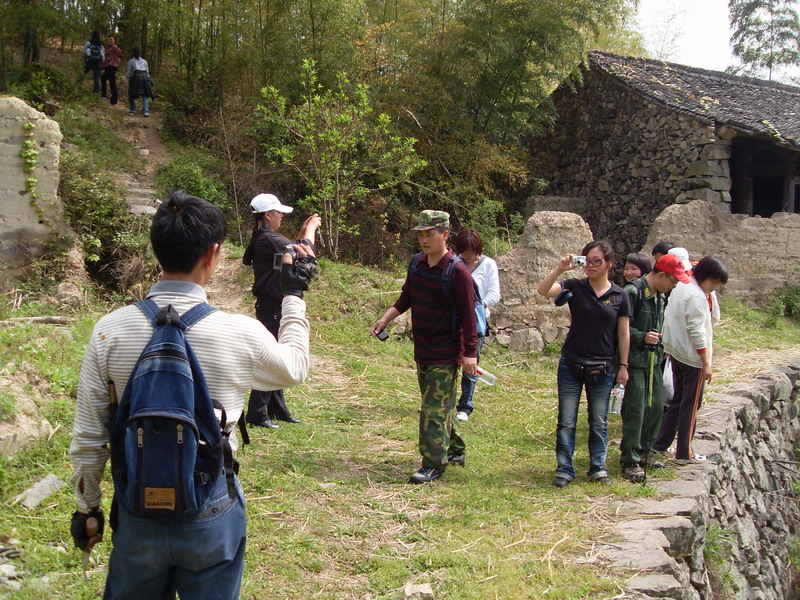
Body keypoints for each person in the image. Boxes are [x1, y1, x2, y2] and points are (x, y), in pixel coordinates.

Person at [69, 189, 315, 599]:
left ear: (156, 249)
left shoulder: (109, 331)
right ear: (213, 254)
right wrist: (294, 298)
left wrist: (87, 509)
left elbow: (90, 437)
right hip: (211, 507)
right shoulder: (240, 333)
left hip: (136, 509)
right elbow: (295, 369)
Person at [372, 210, 477, 484]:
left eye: (429, 234)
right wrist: (385, 319)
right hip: (423, 350)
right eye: (420, 234)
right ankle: (454, 449)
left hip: (446, 351)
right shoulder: (417, 263)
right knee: (438, 405)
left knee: (433, 408)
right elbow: (407, 296)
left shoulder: (459, 273)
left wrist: (469, 354)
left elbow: (469, 317)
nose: (424, 239)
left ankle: (432, 464)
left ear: (445, 235)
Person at [536, 241, 631, 487]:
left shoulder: (620, 296)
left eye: (597, 260)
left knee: (599, 421)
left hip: (603, 367)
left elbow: (623, 334)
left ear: (609, 263)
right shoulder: (574, 286)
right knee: (566, 420)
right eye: (586, 259)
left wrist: (624, 365)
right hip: (572, 364)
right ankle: (565, 468)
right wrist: (559, 269)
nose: (590, 265)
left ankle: (598, 467)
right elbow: (543, 290)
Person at [243, 193, 321, 429]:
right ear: (268, 215)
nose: (282, 218)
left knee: (276, 353)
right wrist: (311, 230)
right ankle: (256, 412)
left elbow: (291, 249)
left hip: (272, 303)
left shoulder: (265, 238)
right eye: (279, 214)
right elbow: (305, 251)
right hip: (272, 305)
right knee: (271, 356)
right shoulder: (267, 238)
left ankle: (276, 408)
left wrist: (302, 235)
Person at [652, 256, 729, 464]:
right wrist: (706, 363)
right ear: (704, 276)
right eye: (713, 282)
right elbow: (697, 332)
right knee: (690, 405)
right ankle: (685, 451)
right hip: (692, 358)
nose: (713, 288)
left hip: (677, 352)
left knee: (678, 401)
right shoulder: (695, 295)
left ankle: (660, 443)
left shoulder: (682, 286)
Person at [618, 255, 688, 482]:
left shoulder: (661, 296)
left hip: (654, 360)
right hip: (635, 362)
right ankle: (629, 460)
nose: (675, 285)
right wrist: (641, 336)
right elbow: (618, 328)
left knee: (656, 405)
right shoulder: (633, 292)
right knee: (636, 411)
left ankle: (644, 450)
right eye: (673, 280)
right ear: (661, 275)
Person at [453, 228, 500, 422]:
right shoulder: (454, 263)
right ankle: (444, 402)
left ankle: (465, 406)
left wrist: (476, 306)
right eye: (464, 252)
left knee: (471, 363)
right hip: (453, 321)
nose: (468, 256)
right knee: (448, 363)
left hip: (476, 322)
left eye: (471, 252)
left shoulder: (488, 265)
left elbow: (494, 294)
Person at [125, 47, 153, 116]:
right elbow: (147, 72)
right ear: (140, 53)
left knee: (131, 92)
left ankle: (132, 109)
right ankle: (146, 111)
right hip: (145, 77)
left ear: (133, 53)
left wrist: (128, 79)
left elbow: (128, 73)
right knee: (145, 94)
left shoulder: (131, 61)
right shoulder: (144, 61)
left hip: (136, 76)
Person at [100, 35, 122, 105]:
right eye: (108, 40)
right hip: (107, 66)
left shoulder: (115, 47)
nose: (110, 41)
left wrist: (115, 59)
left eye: (111, 40)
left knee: (112, 82)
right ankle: (103, 95)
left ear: (114, 40)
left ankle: (114, 100)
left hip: (112, 66)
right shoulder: (108, 48)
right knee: (103, 79)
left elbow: (120, 53)